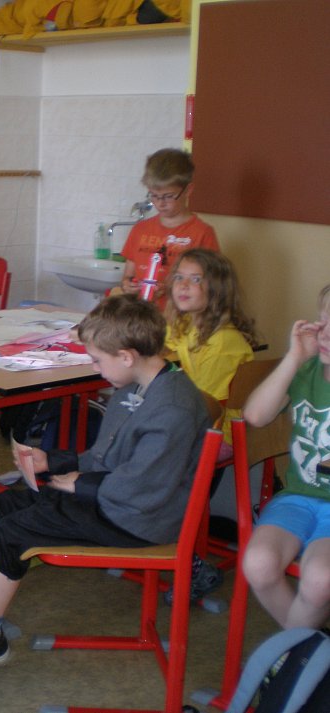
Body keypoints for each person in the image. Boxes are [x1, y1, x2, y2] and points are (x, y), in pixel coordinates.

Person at [0, 294, 212, 669]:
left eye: (97, 360)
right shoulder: (137, 384)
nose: (96, 370)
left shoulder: (171, 408)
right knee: (8, 504)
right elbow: (106, 457)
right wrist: (53, 461)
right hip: (116, 500)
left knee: (15, 531)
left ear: (126, 356)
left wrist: (79, 484)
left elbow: (145, 488)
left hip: (138, 519)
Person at [163, 247, 259, 604]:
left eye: (195, 279)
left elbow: (204, 408)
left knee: (155, 469)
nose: (183, 285)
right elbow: (163, 349)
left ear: (216, 290)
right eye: (179, 278)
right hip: (197, 425)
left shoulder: (223, 342)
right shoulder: (189, 325)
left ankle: (193, 565)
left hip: (217, 433)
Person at [240, 285, 330, 630]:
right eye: (323, 321)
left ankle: (295, 653)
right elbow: (255, 416)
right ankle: (305, 648)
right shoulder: (305, 371)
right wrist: (294, 358)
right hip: (297, 497)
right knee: (259, 564)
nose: (325, 333)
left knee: (320, 580)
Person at [117, 148, 220, 306]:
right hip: (143, 315)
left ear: (188, 190)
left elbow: (211, 287)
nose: (160, 203)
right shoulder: (140, 230)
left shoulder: (202, 233)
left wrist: (170, 290)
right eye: (154, 195)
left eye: (168, 196)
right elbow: (127, 277)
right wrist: (128, 285)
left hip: (180, 317)